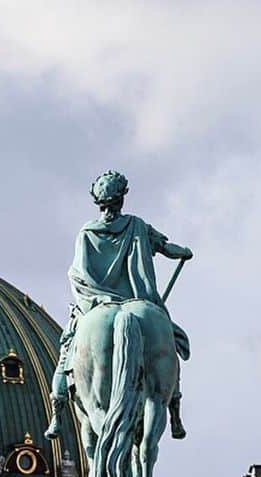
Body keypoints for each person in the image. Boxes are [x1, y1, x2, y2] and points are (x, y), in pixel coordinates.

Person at [45, 170, 191, 440]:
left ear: (99, 203)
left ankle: (57, 414)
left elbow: (77, 275)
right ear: (122, 199)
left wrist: (98, 296)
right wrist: (184, 253)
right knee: (168, 344)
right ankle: (175, 413)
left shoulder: (87, 233)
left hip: (96, 303)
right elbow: (167, 248)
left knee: (66, 356)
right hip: (139, 300)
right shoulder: (137, 225)